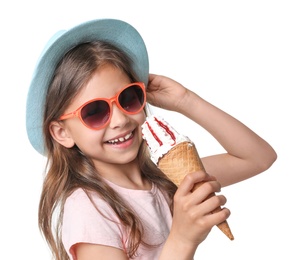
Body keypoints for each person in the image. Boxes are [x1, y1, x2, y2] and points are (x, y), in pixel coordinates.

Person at [26, 19, 277, 260]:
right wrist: (182, 239)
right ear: (62, 132)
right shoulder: (88, 209)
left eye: (128, 98)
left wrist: (184, 100)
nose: (120, 120)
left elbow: (258, 157)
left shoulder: (165, 181)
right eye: (95, 112)